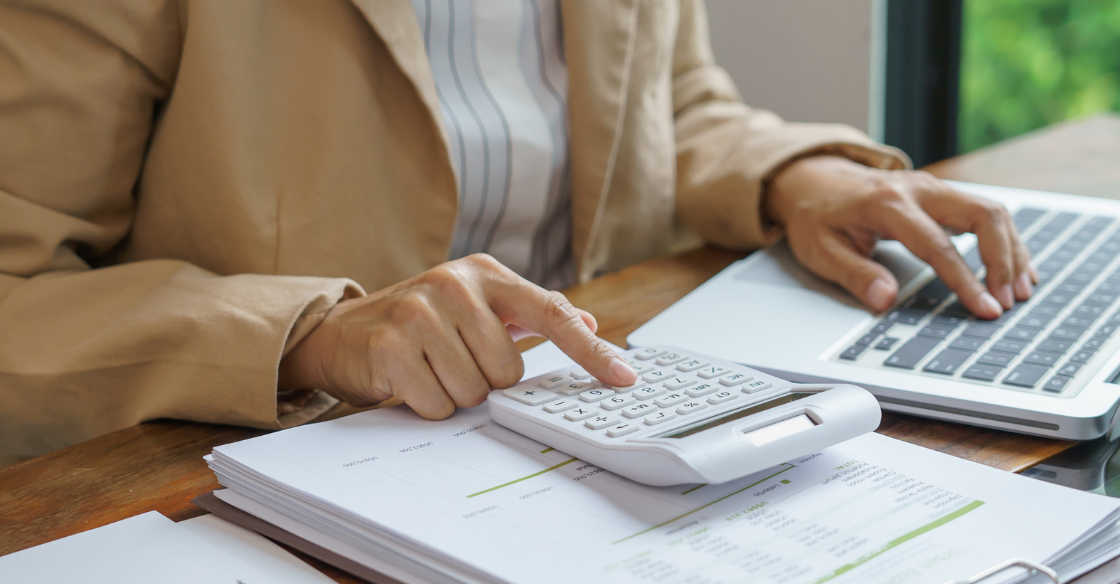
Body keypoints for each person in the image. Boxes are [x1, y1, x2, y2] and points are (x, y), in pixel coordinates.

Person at [0, 0, 1033, 468]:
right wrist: (312, 334)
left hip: (599, 432)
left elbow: (673, 105)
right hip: (282, 465)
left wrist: (794, 175)